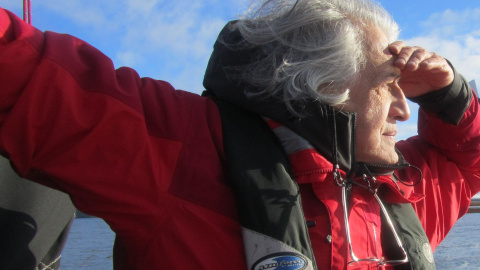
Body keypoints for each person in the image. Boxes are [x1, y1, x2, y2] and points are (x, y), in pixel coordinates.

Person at [0, 0, 479, 269]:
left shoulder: (406, 193)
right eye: (388, 85)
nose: (404, 107)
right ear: (323, 85)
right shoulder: (186, 148)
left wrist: (451, 97)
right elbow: (28, 76)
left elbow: (470, 161)